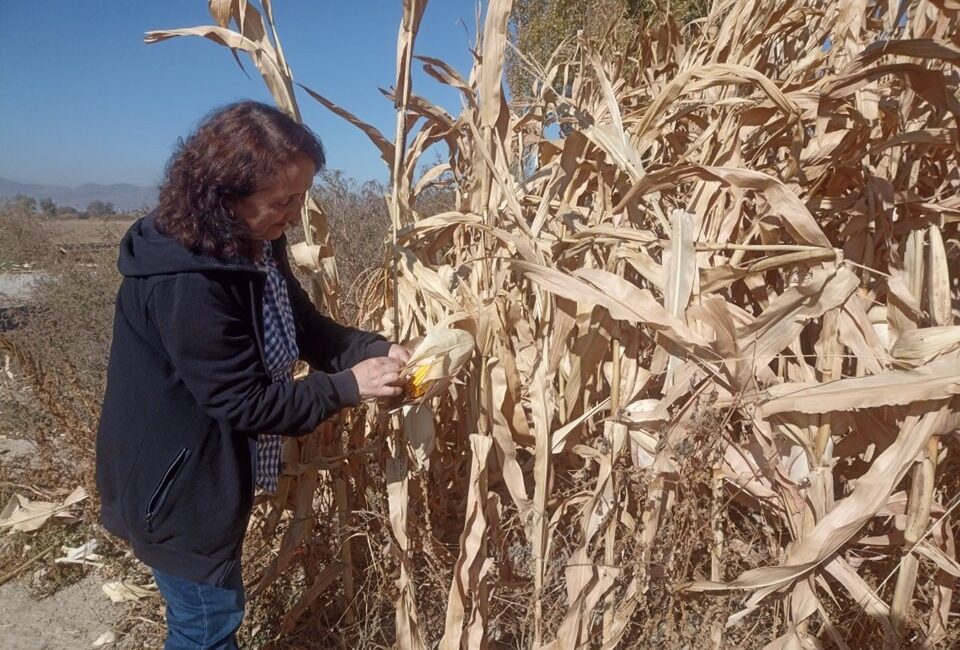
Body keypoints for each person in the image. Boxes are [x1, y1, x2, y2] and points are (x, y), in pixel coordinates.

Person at [95, 101, 408, 649]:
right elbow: (245, 402)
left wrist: (374, 349)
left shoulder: (254, 245)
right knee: (206, 627)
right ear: (224, 195)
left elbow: (304, 324)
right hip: (177, 490)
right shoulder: (186, 280)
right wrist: (349, 386)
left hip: (202, 471)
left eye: (302, 198)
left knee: (209, 618)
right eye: (283, 201)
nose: (294, 214)